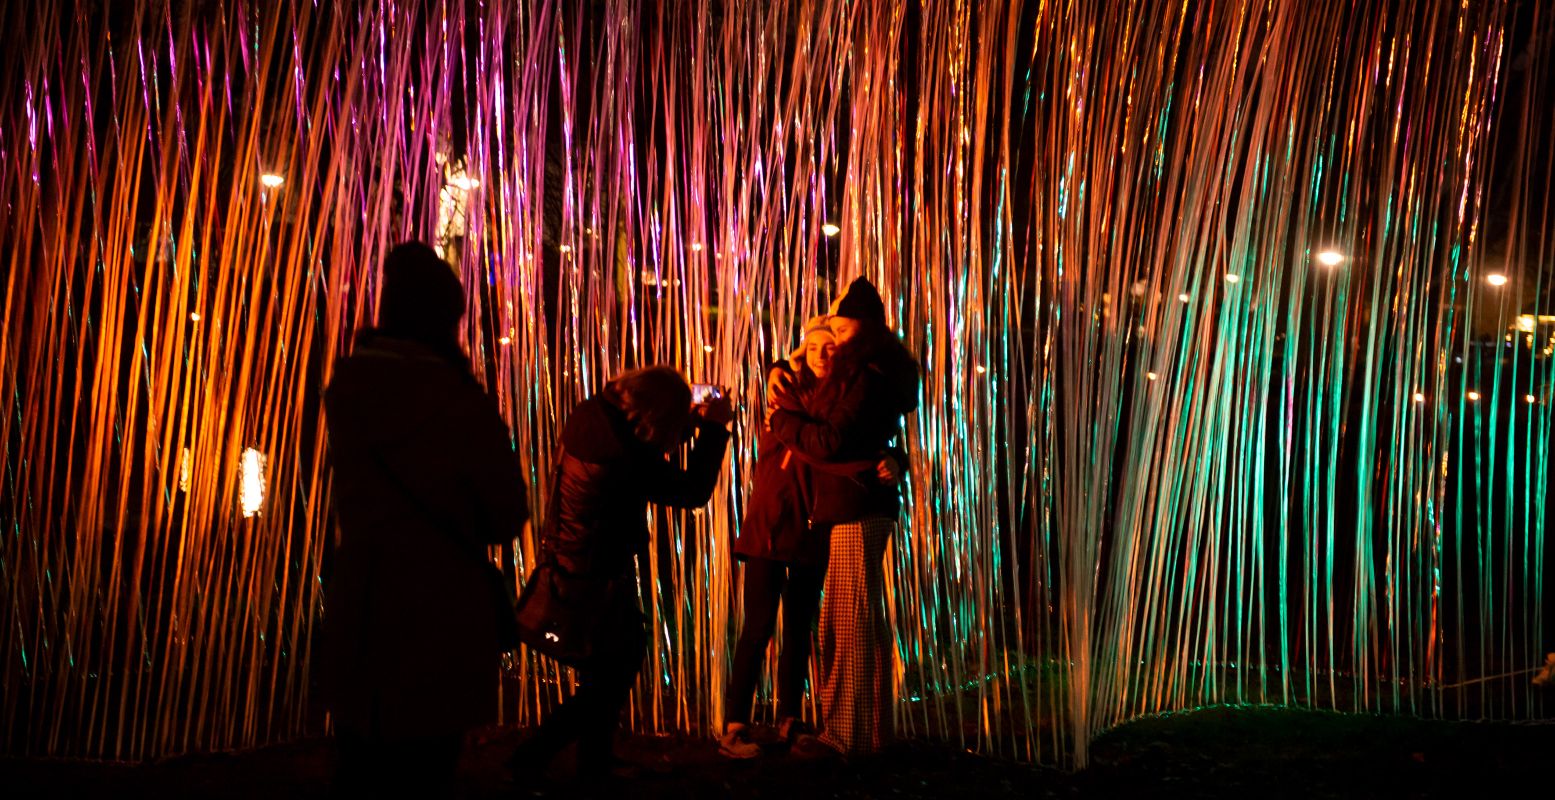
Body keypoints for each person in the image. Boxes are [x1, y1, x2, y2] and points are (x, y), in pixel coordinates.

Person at [321, 241, 530, 795]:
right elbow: (508, 511)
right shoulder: (458, 399)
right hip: (439, 606)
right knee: (424, 770)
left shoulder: (345, 386)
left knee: (361, 765)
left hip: (361, 598)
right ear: (445, 319)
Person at [508, 366, 734, 781]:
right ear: (654, 412)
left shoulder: (597, 413)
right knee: (615, 670)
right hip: (594, 570)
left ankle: (591, 762)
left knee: (605, 669)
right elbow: (690, 491)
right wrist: (715, 432)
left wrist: (686, 422)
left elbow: (649, 449)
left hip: (576, 558)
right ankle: (533, 755)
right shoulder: (623, 451)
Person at [720, 316, 901, 758]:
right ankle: (734, 725)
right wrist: (779, 371)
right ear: (801, 355)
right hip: (772, 527)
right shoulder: (786, 397)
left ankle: (788, 719)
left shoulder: (837, 402)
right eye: (814, 347)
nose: (824, 353)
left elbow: (858, 438)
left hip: (813, 529)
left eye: (832, 348)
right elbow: (830, 438)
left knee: (800, 629)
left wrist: (896, 457)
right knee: (758, 627)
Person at [768, 276, 919, 756]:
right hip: (862, 502)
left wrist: (782, 421)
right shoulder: (880, 370)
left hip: (855, 504)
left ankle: (842, 737)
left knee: (848, 619)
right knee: (865, 619)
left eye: (837, 314)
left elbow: (832, 439)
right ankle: (872, 731)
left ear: (857, 322)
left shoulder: (867, 374)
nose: (830, 321)